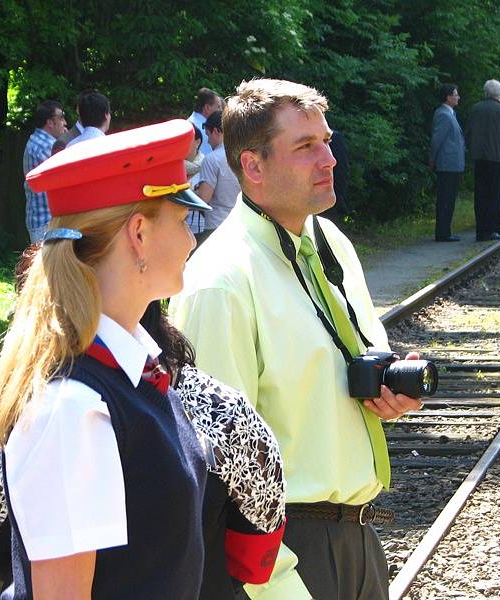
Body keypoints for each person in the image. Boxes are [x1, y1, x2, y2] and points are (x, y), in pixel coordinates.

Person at [170, 78, 423, 600]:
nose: (328, 158)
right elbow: (217, 473)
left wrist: (387, 392)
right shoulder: (220, 282)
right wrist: (277, 586)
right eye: (305, 147)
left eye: (326, 141)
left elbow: (347, 368)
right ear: (253, 166)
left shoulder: (329, 240)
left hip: (359, 540)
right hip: (284, 557)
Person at [0, 120, 218, 599]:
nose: (192, 238)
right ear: (139, 234)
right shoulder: (73, 408)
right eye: (180, 218)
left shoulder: (136, 373)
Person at [465, 79, 500, 241]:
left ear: (485, 93)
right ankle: (494, 228)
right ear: (499, 94)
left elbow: (469, 132)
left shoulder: (475, 109)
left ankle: (481, 230)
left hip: (479, 157)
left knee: (481, 194)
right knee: (495, 194)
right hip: (498, 157)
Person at [22, 100, 66, 243]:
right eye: (61, 117)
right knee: (48, 265)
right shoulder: (45, 146)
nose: (65, 122)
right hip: (46, 222)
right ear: (50, 123)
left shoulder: (38, 141)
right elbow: (65, 175)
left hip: (45, 221)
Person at [195, 110, 241, 243]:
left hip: (216, 225)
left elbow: (203, 198)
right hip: (240, 223)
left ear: (216, 131)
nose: (208, 141)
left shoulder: (212, 159)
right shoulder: (245, 155)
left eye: (208, 135)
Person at [429, 83, 465, 242]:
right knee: (445, 198)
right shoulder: (443, 114)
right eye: (456, 94)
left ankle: (445, 230)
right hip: (447, 163)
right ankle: (443, 232)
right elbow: (437, 139)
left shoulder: (450, 114)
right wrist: (432, 158)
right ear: (448, 97)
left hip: (452, 163)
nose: (458, 97)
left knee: (449, 198)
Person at [188, 87, 223, 155]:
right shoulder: (205, 130)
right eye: (218, 106)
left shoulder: (189, 123)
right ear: (207, 108)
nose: (221, 110)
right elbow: (210, 157)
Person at [185, 124, 206, 236]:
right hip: (177, 226)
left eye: (187, 140)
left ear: (197, 142)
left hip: (200, 227)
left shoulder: (206, 164)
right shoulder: (173, 167)